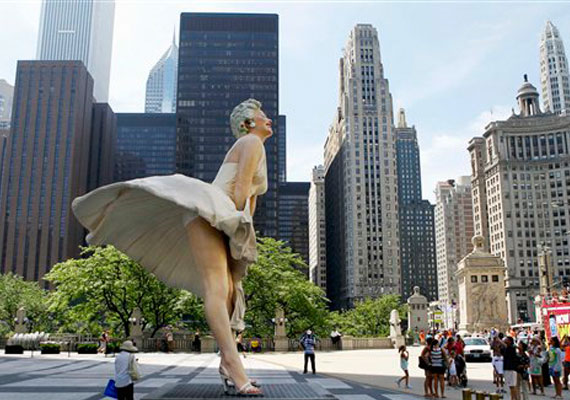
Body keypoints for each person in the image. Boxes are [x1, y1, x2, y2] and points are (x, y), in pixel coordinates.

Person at [72, 99, 272, 397]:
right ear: (248, 124)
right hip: (212, 210)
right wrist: (239, 226)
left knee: (230, 292)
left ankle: (226, 364)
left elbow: (250, 195)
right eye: (262, 115)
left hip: (221, 214)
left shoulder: (255, 144)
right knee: (217, 288)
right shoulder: (251, 142)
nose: (268, 119)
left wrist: (242, 233)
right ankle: (232, 362)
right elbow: (242, 187)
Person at [502, 336, 520, 400]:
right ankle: (513, 398)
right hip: (507, 368)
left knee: (512, 385)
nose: (505, 340)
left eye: (506, 340)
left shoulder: (512, 347)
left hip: (511, 368)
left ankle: (515, 398)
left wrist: (500, 341)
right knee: (510, 385)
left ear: (510, 341)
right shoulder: (506, 348)